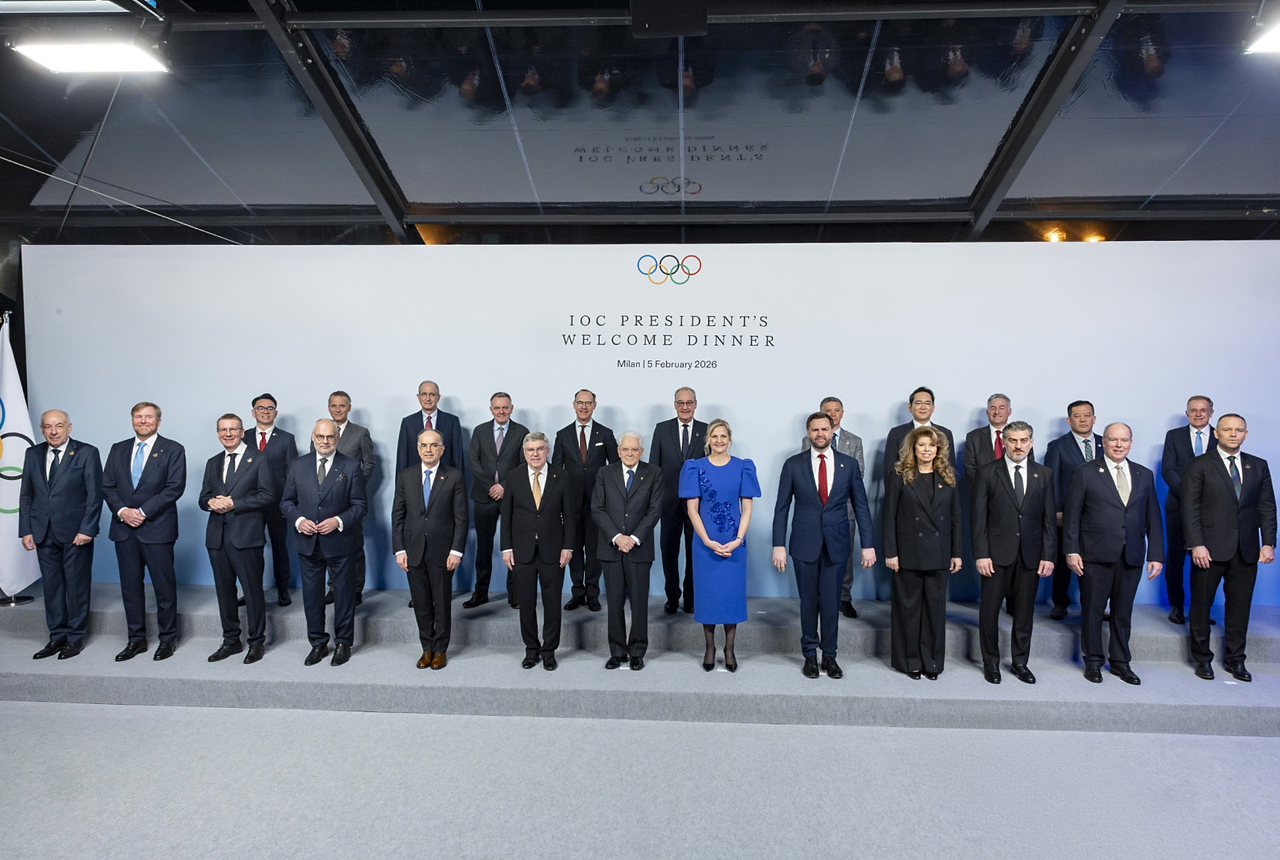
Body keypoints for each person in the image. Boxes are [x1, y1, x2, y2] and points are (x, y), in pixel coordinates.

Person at [773, 412, 874, 679]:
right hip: (804, 544)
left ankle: (830, 656)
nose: (820, 434)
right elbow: (782, 507)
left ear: (832, 432)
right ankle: (809, 655)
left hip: (837, 543)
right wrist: (778, 545)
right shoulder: (793, 464)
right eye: (815, 429)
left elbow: (861, 506)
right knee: (808, 602)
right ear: (808, 433)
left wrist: (868, 545)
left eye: (825, 429)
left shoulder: (848, 464)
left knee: (831, 602)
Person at [1062, 423, 1164, 685]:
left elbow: (1153, 515)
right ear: (1103, 442)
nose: (1119, 445)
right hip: (1094, 554)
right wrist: (1072, 550)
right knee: (1093, 610)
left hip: (1131, 554)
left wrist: (1156, 554)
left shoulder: (1144, 474)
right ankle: (1093, 661)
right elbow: (1072, 516)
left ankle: (1120, 662)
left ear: (1131, 443)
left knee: (1123, 612)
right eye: (1113, 440)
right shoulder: (1085, 472)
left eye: (1124, 440)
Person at [1181, 414, 1276, 682]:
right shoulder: (1198, 465)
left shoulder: (1258, 466)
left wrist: (1268, 542)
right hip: (1207, 550)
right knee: (1201, 606)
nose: (1233, 434)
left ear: (1245, 434)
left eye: (1238, 430)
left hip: (1246, 549)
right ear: (1216, 433)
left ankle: (1236, 661)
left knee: (1239, 607)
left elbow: (1266, 506)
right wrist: (1196, 544)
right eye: (1227, 430)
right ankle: (1202, 659)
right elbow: (1190, 509)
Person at [970, 420, 1055, 684]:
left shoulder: (1045, 474)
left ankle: (1020, 662)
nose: (1018, 446)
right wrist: (981, 554)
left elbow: (1049, 519)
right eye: (1013, 440)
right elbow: (978, 518)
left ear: (1031, 442)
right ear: (1004, 442)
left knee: (1024, 612)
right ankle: (991, 662)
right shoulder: (987, 472)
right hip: (995, 555)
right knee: (990, 611)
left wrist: (1048, 555)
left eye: (1024, 440)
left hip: (1030, 555)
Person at [101, 401, 186, 662]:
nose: (143, 421)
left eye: (148, 417)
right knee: (130, 589)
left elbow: (174, 488)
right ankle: (135, 640)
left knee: (164, 588)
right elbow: (107, 486)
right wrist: (123, 511)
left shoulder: (173, 449)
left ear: (159, 421)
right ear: (132, 420)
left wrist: (143, 512)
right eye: (138, 417)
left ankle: (167, 639)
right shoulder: (118, 449)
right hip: (124, 529)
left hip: (157, 529)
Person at [282, 419, 368, 667]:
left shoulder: (350, 467)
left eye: (330, 437)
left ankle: (343, 643)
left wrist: (338, 521)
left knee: (343, 595)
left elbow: (360, 506)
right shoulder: (298, 465)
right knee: (311, 597)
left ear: (337, 438)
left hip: (340, 542)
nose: (325, 441)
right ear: (313, 437)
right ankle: (318, 643)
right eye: (320, 437)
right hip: (307, 542)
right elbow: (286, 501)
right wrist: (298, 520)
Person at [18, 410, 102, 660]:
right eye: (48, 427)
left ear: (69, 427)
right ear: (42, 429)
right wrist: (26, 530)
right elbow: (26, 495)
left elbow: (94, 496)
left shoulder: (87, 452)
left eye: (59, 426)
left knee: (76, 587)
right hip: (43, 531)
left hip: (76, 533)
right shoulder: (32, 454)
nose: (53, 431)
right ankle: (56, 636)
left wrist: (87, 529)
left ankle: (75, 638)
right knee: (52, 587)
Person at [679, 419, 761, 673]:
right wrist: (706, 540)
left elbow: (747, 509)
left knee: (731, 596)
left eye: (723, 436)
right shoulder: (694, 467)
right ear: (708, 440)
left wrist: (738, 540)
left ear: (729, 439)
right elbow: (692, 510)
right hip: (705, 543)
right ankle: (709, 647)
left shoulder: (743, 467)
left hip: (735, 543)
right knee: (708, 596)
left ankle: (729, 648)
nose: (718, 440)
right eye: (714, 436)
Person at [883, 426, 962, 680]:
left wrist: (956, 553)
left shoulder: (948, 475)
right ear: (913, 449)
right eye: (921, 445)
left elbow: (956, 518)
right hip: (907, 552)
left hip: (939, 552)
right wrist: (891, 552)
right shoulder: (899, 475)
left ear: (938, 449)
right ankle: (909, 661)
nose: (927, 450)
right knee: (908, 609)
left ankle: (932, 663)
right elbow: (889, 517)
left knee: (935, 610)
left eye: (931, 445)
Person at [198, 414, 276, 665]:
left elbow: (268, 495)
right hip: (217, 537)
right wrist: (210, 502)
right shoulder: (213, 462)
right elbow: (203, 498)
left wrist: (235, 503)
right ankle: (231, 640)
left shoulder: (259, 458)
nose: (228, 434)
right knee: (224, 592)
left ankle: (256, 642)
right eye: (223, 430)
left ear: (243, 432)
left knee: (252, 592)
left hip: (246, 536)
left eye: (233, 429)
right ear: (218, 433)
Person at [501, 433, 577, 671]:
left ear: (547, 451)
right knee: (526, 603)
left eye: (540, 449)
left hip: (553, 551)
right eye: (530, 450)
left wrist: (568, 546)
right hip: (521, 551)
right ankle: (531, 650)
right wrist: (506, 547)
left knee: (552, 603)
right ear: (524, 453)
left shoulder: (562, 476)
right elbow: (507, 516)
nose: (535, 454)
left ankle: (549, 651)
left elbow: (570, 516)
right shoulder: (513, 477)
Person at [393, 429, 468, 670]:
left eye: (434, 445)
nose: (428, 449)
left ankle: (440, 649)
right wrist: (399, 549)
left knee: (442, 602)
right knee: (421, 602)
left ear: (441, 449)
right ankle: (426, 648)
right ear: (418, 449)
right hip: (413, 550)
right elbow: (398, 515)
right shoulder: (405, 476)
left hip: (443, 552)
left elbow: (461, 518)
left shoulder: (454, 477)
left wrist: (456, 550)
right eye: (424, 445)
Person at [591, 431, 664, 670]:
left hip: (639, 549)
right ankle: (617, 651)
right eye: (625, 449)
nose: (630, 453)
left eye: (634, 450)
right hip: (611, 548)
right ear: (618, 451)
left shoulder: (653, 473)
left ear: (641, 452)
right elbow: (597, 509)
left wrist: (632, 538)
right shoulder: (604, 473)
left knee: (639, 604)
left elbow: (654, 511)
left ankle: (637, 651)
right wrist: (617, 537)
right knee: (613, 603)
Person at [800, 396, 867, 619]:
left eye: (836, 410)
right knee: (816, 554)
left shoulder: (854, 441)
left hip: (844, 510)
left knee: (844, 556)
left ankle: (844, 598)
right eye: (828, 410)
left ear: (842, 413)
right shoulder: (807, 440)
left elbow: (859, 474)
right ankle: (820, 598)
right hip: (815, 511)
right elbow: (806, 474)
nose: (832, 413)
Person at [552, 388, 618, 612]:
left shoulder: (606, 433)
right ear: (574, 405)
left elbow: (615, 468)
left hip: (598, 503)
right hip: (570, 503)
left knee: (594, 549)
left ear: (594, 405)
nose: (583, 407)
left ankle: (592, 593)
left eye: (588, 403)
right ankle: (577, 592)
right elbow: (556, 471)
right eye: (580, 403)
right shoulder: (563, 434)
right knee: (573, 548)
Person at [467, 392, 528, 608]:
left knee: (514, 546)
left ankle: (515, 594)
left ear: (511, 408)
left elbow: (524, 463)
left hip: (511, 497)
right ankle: (480, 593)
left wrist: (504, 485)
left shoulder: (522, 432)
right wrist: (490, 486)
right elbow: (473, 461)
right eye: (497, 408)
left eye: (505, 407)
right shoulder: (480, 431)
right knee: (483, 548)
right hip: (483, 497)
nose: (501, 411)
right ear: (491, 409)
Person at [649, 387, 708, 614]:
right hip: (669, 501)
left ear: (695, 404)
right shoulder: (662, 429)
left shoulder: (705, 430)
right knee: (669, 551)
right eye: (680, 403)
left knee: (695, 552)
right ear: (674, 404)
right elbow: (654, 467)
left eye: (689, 402)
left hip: (698, 503)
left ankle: (691, 598)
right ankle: (672, 596)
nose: (685, 407)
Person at [1043, 400, 1103, 620]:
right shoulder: (1058, 446)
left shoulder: (1105, 444)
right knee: (1063, 561)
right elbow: (1051, 481)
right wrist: (1056, 510)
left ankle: (1094, 604)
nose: (1083, 419)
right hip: (1067, 514)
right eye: (1077, 416)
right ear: (1069, 420)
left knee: (1096, 562)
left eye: (1087, 415)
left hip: (1098, 514)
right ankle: (1060, 602)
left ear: (1094, 418)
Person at [1162, 395, 1218, 624]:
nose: (1198, 414)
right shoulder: (1174, 436)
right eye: (1193, 410)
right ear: (1187, 413)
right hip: (1177, 507)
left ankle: (1200, 609)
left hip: (1212, 510)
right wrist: (1190, 496)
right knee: (1175, 559)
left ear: (1211, 413)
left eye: (1203, 410)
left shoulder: (1220, 436)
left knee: (1207, 562)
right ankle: (1176, 606)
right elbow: (1168, 471)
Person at [320, 391, 374, 604]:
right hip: (325, 501)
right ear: (329, 407)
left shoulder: (360, 433)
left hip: (351, 501)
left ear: (349, 408)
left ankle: (356, 588)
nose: (338, 409)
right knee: (328, 546)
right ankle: (333, 587)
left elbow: (369, 464)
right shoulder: (321, 431)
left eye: (342, 405)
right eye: (334, 405)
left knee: (354, 546)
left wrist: (355, 489)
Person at [249, 393, 297, 606]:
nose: (265, 411)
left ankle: (282, 589)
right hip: (250, 504)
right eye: (261, 408)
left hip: (277, 504)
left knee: (279, 547)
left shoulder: (286, 439)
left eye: (270, 408)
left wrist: (288, 503)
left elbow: (292, 473)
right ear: (253, 412)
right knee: (251, 549)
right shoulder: (243, 437)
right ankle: (252, 590)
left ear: (275, 413)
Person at [883, 386, 956, 480]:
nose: (923, 407)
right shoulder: (896, 433)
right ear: (910, 407)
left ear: (933, 407)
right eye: (918, 403)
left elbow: (950, 468)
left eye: (927, 403)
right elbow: (890, 469)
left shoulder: (945, 433)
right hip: (906, 488)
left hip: (938, 489)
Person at [395, 380, 465, 475]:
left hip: (445, 479)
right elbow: (402, 458)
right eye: (424, 394)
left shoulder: (452, 421)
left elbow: (458, 457)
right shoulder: (408, 423)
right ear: (418, 397)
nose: (428, 398)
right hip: (414, 479)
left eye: (432, 394)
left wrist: (459, 485)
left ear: (438, 397)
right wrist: (400, 486)